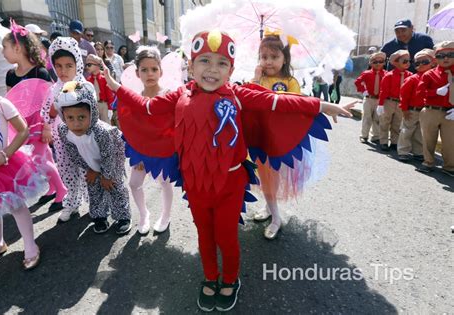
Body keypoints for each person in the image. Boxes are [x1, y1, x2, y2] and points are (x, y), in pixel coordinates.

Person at [105, 30, 353, 312]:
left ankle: (231, 280)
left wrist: (323, 105)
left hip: (229, 184)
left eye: (221, 63)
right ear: (191, 65)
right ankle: (210, 277)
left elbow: (278, 102)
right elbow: (147, 108)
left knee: (226, 236)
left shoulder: (238, 94)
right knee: (204, 234)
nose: (212, 69)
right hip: (195, 183)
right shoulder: (179, 95)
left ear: (231, 69)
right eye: (205, 61)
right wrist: (116, 87)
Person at [0, 58, 44, 270]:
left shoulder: (0, 103)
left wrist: (5, 153)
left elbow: (23, 129)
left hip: (6, 164)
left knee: (16, 205)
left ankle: (29, 244)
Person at [2, 22, 67, 212]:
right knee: (46, 157)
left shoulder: (41, 72)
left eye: (5, 48)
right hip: (22, 125)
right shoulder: (9, 75)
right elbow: (11, 102)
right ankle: (53, 187)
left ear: (17, 48)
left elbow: (49, 102)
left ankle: (62, 190)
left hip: (39, 122)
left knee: (39, 160)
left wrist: (47, 126)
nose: (3, 52)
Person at [55, 81, 132, 234]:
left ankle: (123, 216)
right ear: (63, 116)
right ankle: (99, 216)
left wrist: (107, 175)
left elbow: (109, 154)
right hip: (90, 163)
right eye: (70, 118)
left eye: (82, 117)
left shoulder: (102, 132)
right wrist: (90, 169)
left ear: (93, 112)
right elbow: (73, 153)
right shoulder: (64, 131)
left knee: (115, 187)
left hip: (112, 161)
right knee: (94, 188)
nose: (76, 123)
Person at [250, 34, 301, 240]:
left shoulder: (290, 81)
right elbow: (247, 99)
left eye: (273, 56)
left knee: (273, 179)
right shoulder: (259, 79)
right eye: (263, 56)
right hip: (259, 137)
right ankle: (271, 209)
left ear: (285, 58)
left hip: (280, 139)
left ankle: (276, 217)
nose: (268, 61)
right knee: (265, 177)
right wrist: (255, 79)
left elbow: (297, 106)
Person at [126, 46, 174, 234]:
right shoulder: (135, 97)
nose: (150, 74)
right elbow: (132, 130)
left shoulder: (169, 94)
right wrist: (137, 156)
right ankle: (144, 214)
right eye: (144, 70)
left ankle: (166, 215)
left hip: (163, 151)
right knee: (134, 183)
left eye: (154, 69)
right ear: (137, 73)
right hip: (141, 151)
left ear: (161, 71)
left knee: (165, 182)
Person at [45, 37, 89, 222]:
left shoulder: (84, 86)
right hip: (62, 138)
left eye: (68, 65)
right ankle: (71, 202)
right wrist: (49, 120)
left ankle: (96, 203)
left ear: (77, 64)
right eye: (59, 66)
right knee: (66, 170)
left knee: (88, 170)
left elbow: (90, 112)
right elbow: (48, 113)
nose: (63, 71)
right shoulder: (54, 88)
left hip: (84, 137)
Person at [416, 41, 454, 176]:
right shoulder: (429, 74)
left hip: (450, 113)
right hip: (431, 110)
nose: (445, 58)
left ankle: (449, 167)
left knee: (451, 142)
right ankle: (428, 162)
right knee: (428, 139)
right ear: (435, 59)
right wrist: (435, 92)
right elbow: (419, 93)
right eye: (441, 55)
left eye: (450, 54)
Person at [397, 49, 436, 162]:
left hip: (426, 110)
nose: (421, 65)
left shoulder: (433, 78)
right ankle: (403, 151)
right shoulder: (412, 79)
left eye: (425, 62)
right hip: (412, 110)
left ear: (432, 62)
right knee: (407, 130)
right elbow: (404, 95)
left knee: (420, 132)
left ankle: (418, 151)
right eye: (417, 63)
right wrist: (404, 109)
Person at [377, 49, 412, 151]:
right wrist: (381, 104)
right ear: (396, 62)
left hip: (401, 102)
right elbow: (383, 90)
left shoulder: (409, 75)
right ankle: (383, 141)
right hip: (389, 101)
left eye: (409, 61)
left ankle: (394, 141)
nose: (407, 63)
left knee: (397, 123)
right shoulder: (389, 75)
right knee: (385, 121)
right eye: (404, 61)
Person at [355, 51, 387, 144]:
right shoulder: (366, 73)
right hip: (369, 99)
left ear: (384, 63)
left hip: (380, 100)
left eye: (380, 62)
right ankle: (364, 135)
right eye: (375, 62)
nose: (378, 64)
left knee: (377, 118)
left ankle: (375, 136)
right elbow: (357, 82)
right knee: (366, 117)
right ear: (370, 63)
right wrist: (363, 90)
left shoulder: (386, 74)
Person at [85, 54, 115, 124]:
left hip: (104, 104)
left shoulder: (104, 79)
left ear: (97, 66)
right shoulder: (88, 80)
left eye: (89, 65)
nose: (87, 67)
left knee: (106, 123)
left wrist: (110, 108)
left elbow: (109, 94)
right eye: (86, 65)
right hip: (94, 105)